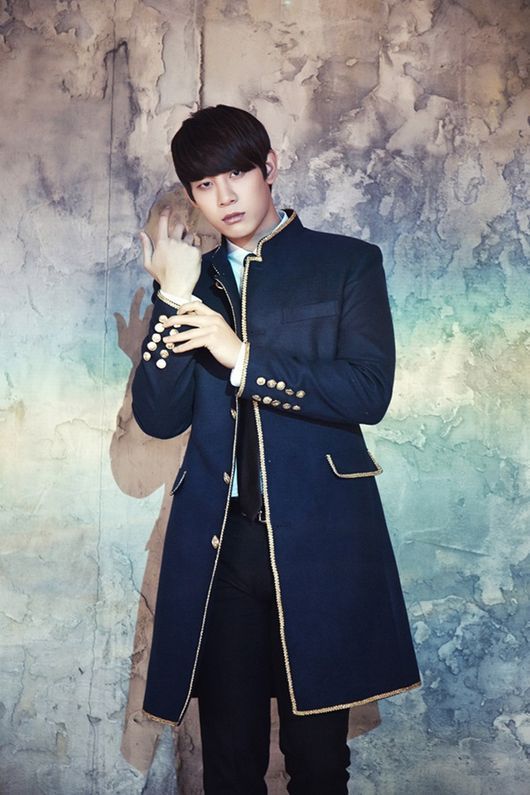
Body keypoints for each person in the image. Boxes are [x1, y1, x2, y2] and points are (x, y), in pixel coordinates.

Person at [131, 104, 421, 794]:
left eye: (237, 173)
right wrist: (172, 297)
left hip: (320, 539)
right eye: (204, 185)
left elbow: (367, 392)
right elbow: (159, 416)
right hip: (222, 546)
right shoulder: (193, 280)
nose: (224, 196)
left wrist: (242, 358)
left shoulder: (347, 263)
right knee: (230, 766)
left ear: (271, 167)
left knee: (318, 763)